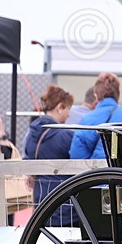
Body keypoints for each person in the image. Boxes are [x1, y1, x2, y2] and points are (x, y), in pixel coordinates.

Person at [24, 84, 75, 226]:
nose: (69, 114)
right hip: (65, 206)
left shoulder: (30, 134)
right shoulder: (65, 136)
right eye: (68, 108)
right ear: (59, 107)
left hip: (40, 204)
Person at [68, 72, 122, 160]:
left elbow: (77, 157)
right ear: (118, 94)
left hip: (98, 172)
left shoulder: (86, 121)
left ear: (96, 96)